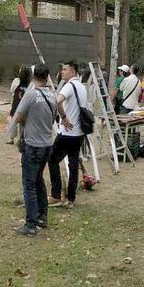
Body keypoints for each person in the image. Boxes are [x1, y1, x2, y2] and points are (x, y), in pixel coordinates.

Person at [13, 63, 56, 236]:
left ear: (33, 76)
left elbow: (19, 116)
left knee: (29, 184)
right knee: (38, 179)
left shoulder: (31, 94)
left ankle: (30, 224)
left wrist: (25, 121)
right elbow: (54, 118)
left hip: (33, 144)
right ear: (47, 77)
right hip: (47, 144)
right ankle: (42, 216)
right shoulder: (52, 96)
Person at [49, 60, 91, 209]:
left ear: (73, 72)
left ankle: (56, 195)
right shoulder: (82, 87)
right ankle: (71, 198)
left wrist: (64, 117)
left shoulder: (69, 86)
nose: (62, 72)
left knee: (52, 160)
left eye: (65, 70)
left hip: (67, 132)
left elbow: (57, 101)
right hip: (78, 133)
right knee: (73, 165)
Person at [5, 65, 32, 145]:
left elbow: (13, 93)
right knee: (21, 124)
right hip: (23, 108)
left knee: (14, 122)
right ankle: (20, 138)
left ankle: (13, 138)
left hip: (17, 106)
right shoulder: (30, 86)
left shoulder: (17, 83)